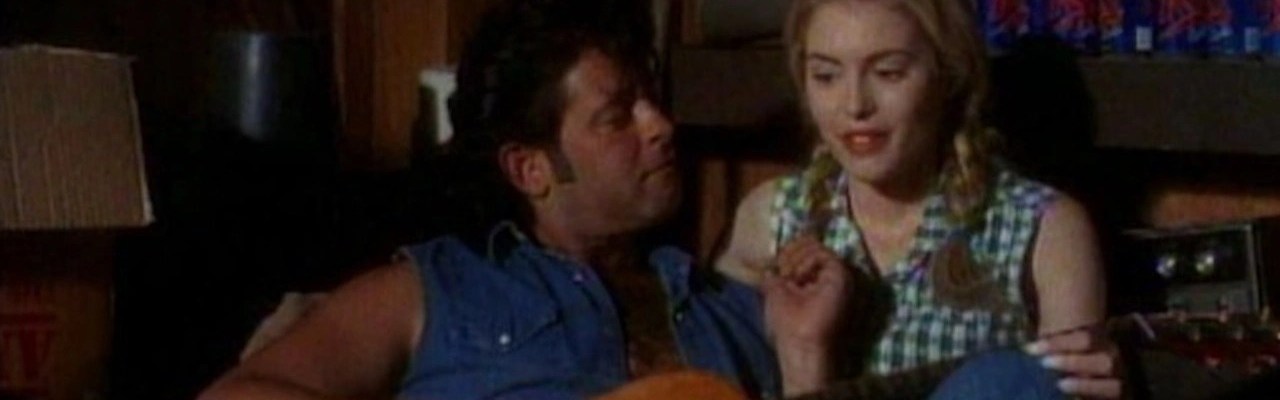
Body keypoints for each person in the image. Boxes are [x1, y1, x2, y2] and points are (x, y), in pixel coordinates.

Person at [197, 1, 849, 399]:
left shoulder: (736, 308)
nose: (660, 125)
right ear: (530, 168)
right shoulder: (437, 290)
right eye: (617, 116)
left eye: (652, 101)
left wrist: (805, 353)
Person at [715, 0, 1122, 398]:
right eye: (826, 76)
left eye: (888, 73)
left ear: (948, 75)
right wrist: (804, 355)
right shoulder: (772, 219)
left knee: (1010, 378)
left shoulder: (1043, 229)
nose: (855, 105)